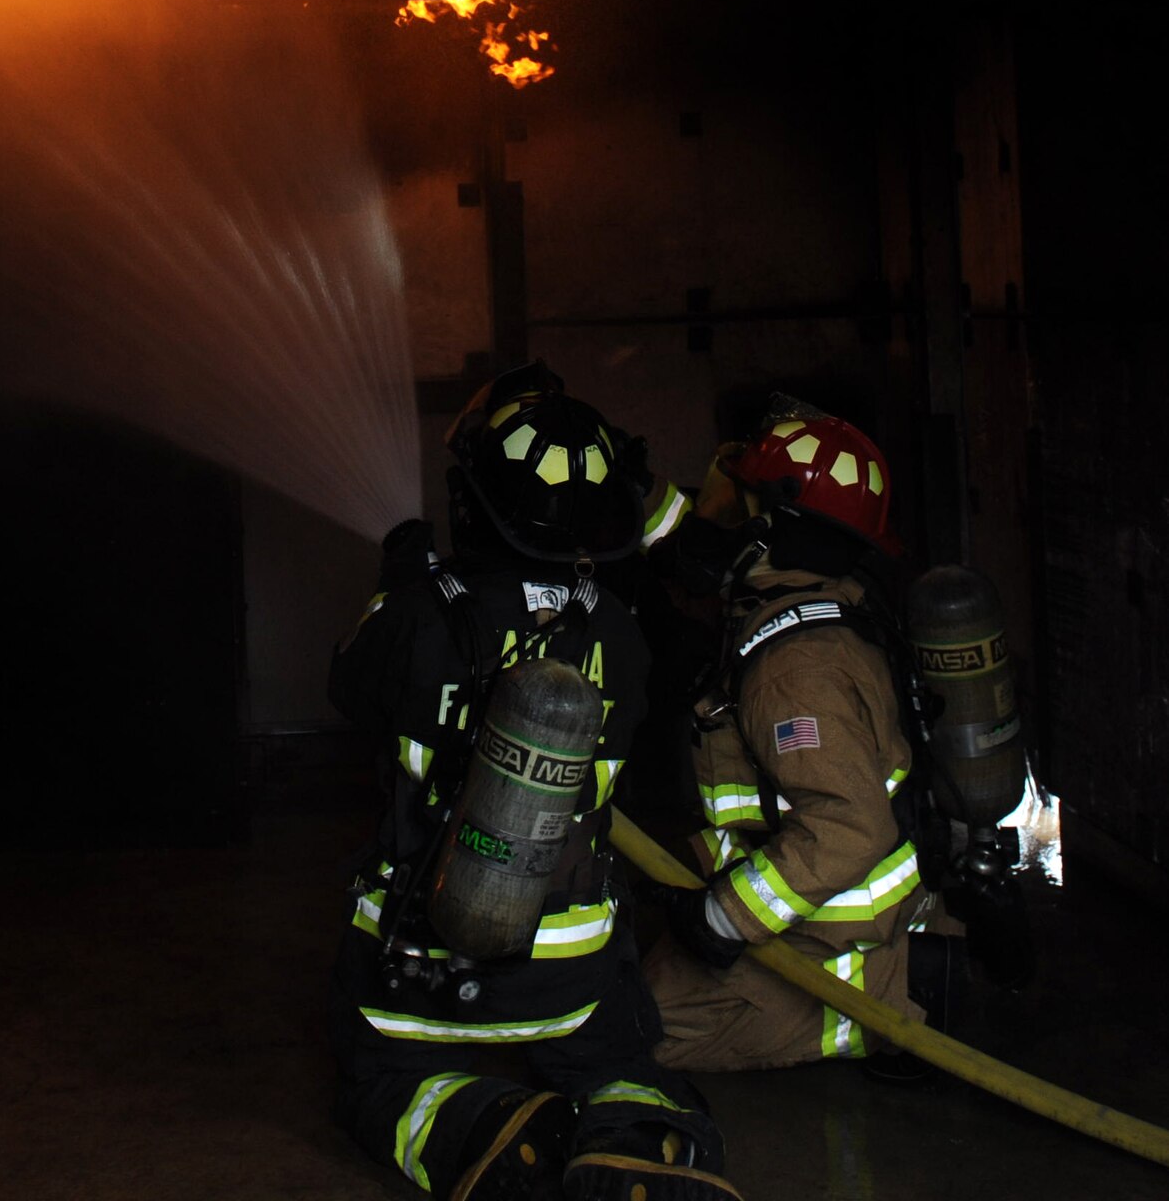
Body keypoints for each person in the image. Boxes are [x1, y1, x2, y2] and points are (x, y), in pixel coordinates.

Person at [328, 362, 742, 1201]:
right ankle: (639, 1139)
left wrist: (394, 582)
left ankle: (483, 1126)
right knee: (620, 1058)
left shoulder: (419, 613)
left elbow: (351, 688)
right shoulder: (622, 633)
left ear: (473, 500)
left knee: (375, 1080)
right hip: (570, 971)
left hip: (419, 963)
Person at [638, 397, 925, 1071]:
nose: (718, 523)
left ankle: (867, 1025)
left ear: (776, 531)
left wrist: (721, 918)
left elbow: (851, 829)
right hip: (806, 926)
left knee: (622, 1034)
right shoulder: (810, 601)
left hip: (825, 955)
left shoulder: (794, 672)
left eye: (737, 507)